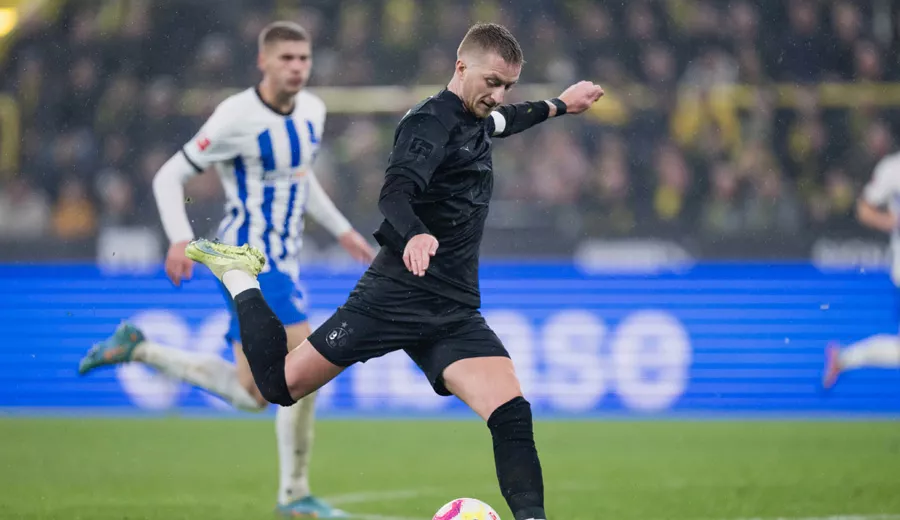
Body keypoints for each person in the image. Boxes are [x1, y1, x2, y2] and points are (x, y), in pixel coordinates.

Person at [185, 22, 602, 520]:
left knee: (512, 414)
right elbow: (395, 194)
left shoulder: (478, 117)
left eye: (508, 85)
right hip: (393, 295)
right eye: (492, 81)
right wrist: (417, 233)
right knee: (276, 387)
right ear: (460, 65)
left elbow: (509, 120)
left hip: (452, 310)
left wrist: (560, 104)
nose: (498, 95)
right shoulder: (429, 123)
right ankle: (239, 278)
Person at [77, 21, 374, 518]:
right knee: (306, 365)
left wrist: (342, 230)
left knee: (255, 392)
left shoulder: (314, 112)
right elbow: (170, 175)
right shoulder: (236, 116)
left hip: (283, 261)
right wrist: (178, 237)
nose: (298, 67)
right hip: (249, 258)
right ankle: (295, 496)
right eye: (287, 59)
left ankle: (140, 347)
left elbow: (299, 180)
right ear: (264, 62)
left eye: (304, 58)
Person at [823, 151, 900, 389]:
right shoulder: (893, 168)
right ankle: (844, 358)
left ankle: (845, 358)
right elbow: (864, 209)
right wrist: (892, 222)